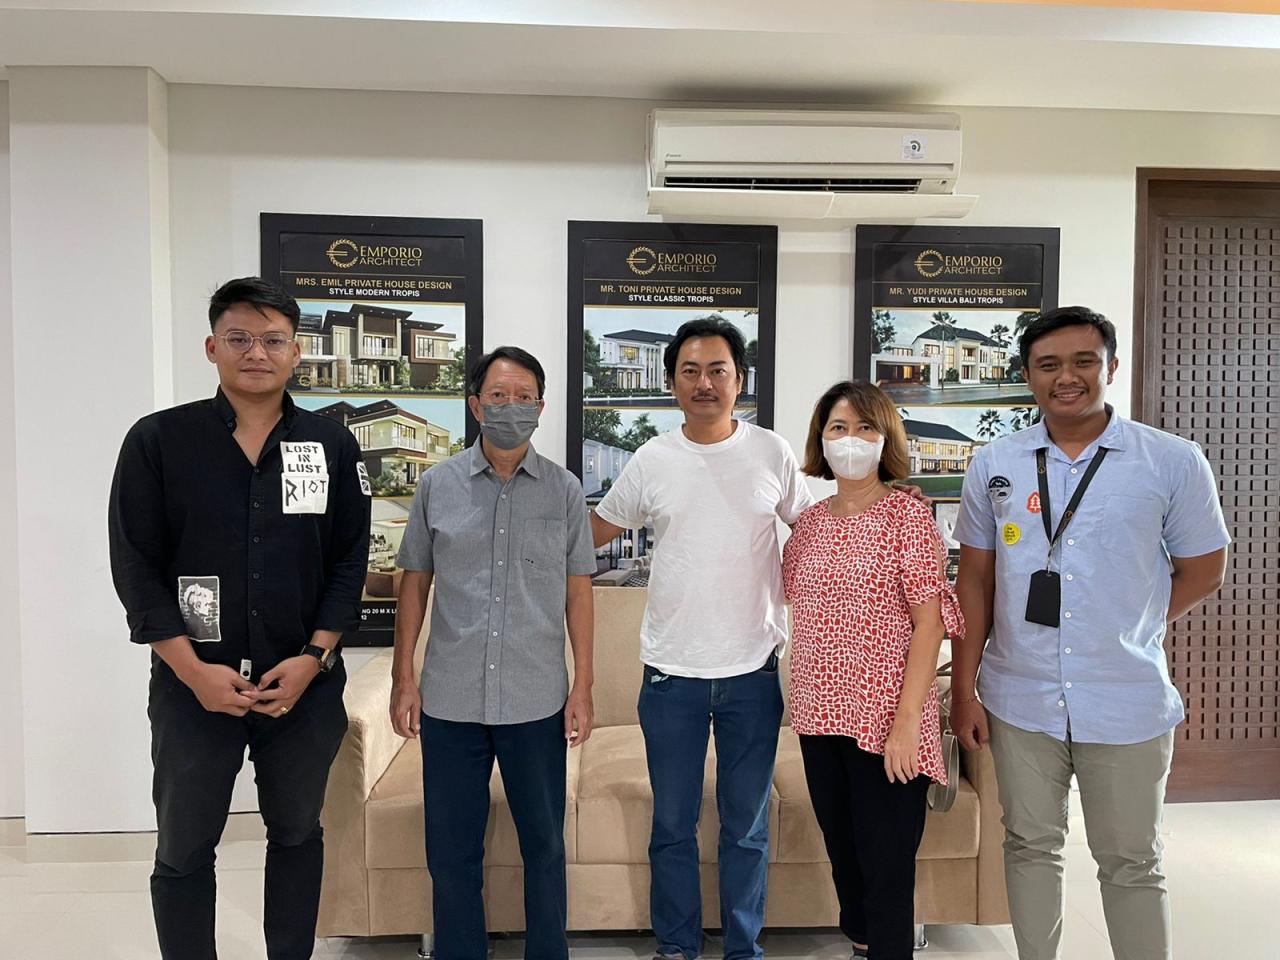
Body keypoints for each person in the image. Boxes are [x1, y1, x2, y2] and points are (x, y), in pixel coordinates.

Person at [950, 306, 1230, 960]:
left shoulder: (1171, 460)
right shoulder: (996, 462)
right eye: (1048, 365)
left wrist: (1129, 620)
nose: (1066, 377)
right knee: (1029, 845)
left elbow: (1204, 570)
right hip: (1019, 695)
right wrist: (964, 693)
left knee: (1131, 859)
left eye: (1083, 361)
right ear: (1027, 376)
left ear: (1111, 367)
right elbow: (975, 583)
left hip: (1125, 694)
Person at [108, 277, 371, 960]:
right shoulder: (159, 441)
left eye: (273, 340)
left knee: (297, 834)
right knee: (184, 846)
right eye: (240, 338)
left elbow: (350, 560)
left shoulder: (332, 445)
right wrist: (193, 672)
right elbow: (136, 567)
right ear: (212, 347)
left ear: (297, 352)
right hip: (193, 687)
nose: (257, 352)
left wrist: (314, 657)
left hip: (304, 688)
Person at [590, 316, 814, 960]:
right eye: (690, 371)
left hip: (753, 672)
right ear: (672, 383)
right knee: (672, 825)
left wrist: (880, 507)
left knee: (745, 829)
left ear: (739, 380)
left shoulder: (771, 452)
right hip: (671, 675)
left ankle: (743, 949)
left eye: (718, 370)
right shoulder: (653, 458)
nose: (705, 383)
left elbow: (815, 532)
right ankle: (677, 946)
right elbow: (592, 534)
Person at [390, 346, 596, 960]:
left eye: (524, 397)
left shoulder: (564, 490)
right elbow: (414, 585)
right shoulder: (438, 485)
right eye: (499, 396)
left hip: (536, 698)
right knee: (451, 852)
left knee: (545, 847)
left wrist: (583, 685)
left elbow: (578, 592)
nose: (512, 407)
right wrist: (403, 678)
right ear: (476, 406)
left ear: (541, 406)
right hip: (450, 699)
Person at [781, 381, 959, 960]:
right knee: (846, 857)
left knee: (886, 867)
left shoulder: (907, 516)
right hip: (818, 716)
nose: (850, 439)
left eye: (864, 428)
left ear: (886, 439)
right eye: (838, 428)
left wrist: (907, 724)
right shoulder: (808, 525)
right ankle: (862, 946)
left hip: (886, 720)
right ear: (821, 440)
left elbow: (930, 624)